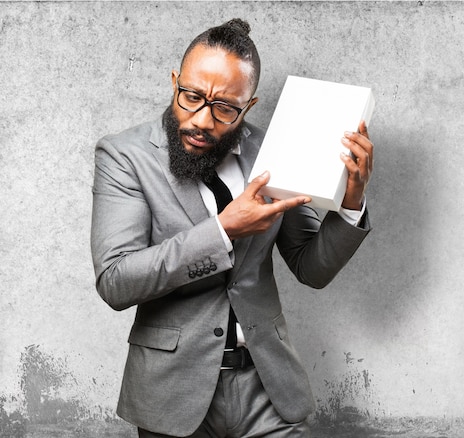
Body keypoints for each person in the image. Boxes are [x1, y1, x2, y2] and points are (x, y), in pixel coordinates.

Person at [90, 18, 373, 438]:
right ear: (174, 82)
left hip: (269, 388)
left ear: (249, 106)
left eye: (224, 108)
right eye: (191, 97)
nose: (203, 120)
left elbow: (311, 268)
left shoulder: (273, 153)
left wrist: (351, 200)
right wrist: (222, 230)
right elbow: (116, 281)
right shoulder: (124, 156)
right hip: (173, 394)